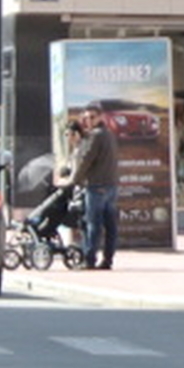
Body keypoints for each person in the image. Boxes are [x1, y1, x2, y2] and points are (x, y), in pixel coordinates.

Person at [67, 109, 120, 269]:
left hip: (97, 185)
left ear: (101, 117)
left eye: (92, 117)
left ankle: (90, 259)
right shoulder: (109, 134)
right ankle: (108, 259)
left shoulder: (95, 136)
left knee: (94, 224)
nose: (88, 120)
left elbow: (86, 159)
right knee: (110, 225)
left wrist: (74, 180)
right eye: (86, 117)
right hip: (111, 185)